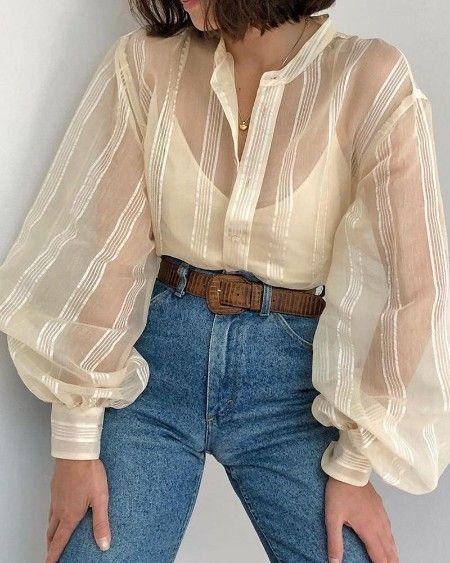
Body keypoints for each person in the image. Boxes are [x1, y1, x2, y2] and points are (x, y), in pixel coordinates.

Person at [0, 0, 448, 561]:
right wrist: (75, 445)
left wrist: (354, 466)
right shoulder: (146, 64)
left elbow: (412, 287)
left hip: (293, 395)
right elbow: (100, 248)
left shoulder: (368, 78)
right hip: (151, 376)